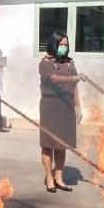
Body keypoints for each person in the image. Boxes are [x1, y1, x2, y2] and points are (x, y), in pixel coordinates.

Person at [39, 31, 83, 193]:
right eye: (61, 44)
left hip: (67, 106)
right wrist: (73, 79)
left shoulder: (70, 63)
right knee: (48, 143)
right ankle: (49, 178)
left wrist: (77, 106)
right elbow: (53, 78)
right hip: (51, 106)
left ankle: (59, 177)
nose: (64, 47)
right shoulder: (46, 62)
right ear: (53, 44)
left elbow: (75, 87)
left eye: (66, 45)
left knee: (62, 144)